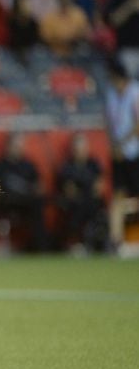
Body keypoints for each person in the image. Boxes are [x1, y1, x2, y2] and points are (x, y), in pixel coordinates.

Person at [0, 132, 49, 252]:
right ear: (8, 146)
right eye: (15, 145)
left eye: (20, 145)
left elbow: (39, 186)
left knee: (38, 203)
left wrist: (36, 190)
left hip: (26, 202)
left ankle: (39, 245)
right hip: (5, 203)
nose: (18, 148)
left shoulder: (28, 165)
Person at [104, 60, 139, 253]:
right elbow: (109, 122)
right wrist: (113, 145)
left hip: (134, 152)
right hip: (118, 154)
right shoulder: (111, 95)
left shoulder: (135, 93)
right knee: (118, 196)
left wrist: (122, 143)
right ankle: (115, 240)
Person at [55, 133, 108, 252]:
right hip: (76, 203)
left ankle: (101, 242)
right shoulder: (67, 166)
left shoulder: (93, 163)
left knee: (97, 207)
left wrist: (88, 191)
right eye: (77, 149)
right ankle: (76, 243)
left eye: (82, 148)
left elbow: (99, 186)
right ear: (73, 150)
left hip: (92, 201)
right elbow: (70, 190)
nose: (80, 151)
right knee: (78, 205)